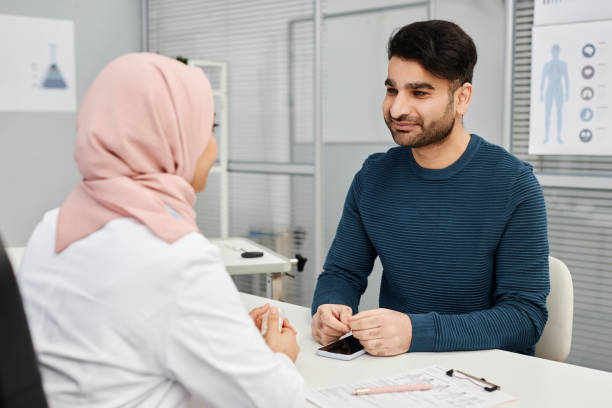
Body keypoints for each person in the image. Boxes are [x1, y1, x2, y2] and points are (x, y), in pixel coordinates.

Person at [17, 53, 303, 407]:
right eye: (208, 130)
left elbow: (116, 342)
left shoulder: (54, 226)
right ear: (171, 138)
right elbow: (272, 399)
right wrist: (280, 356)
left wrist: (223, 333)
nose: (214, 148)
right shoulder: (174, 257)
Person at [311, 20, 550, 357]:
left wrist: (416, 332)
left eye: (419, 93)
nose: (397, 109)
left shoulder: (513, 184)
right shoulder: (373, 176)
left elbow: (525, 317)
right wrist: (329, 308)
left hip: (488, 373)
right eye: (392, 90)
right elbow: (343, 272)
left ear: (462, 98)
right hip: (394, 366)